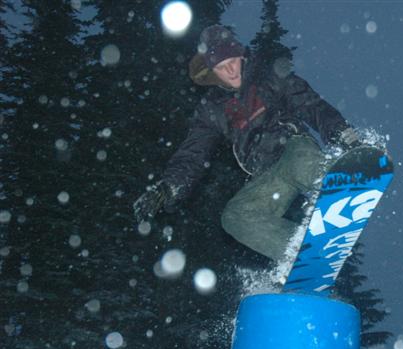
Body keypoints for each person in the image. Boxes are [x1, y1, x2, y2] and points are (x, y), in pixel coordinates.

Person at [133, 25, 360, 261]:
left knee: (304, 164)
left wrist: (341, 133)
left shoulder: (268, 75)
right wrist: (168, 187)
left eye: (232, 61)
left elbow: (309, 104)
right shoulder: (211, 109)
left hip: (292, 147)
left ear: (241, 55)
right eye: (221, 67)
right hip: (266, 174)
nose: (231, 71)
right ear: (211, 72)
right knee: (235, 216)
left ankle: (339, 187)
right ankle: (301, 253)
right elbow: (194, 153)